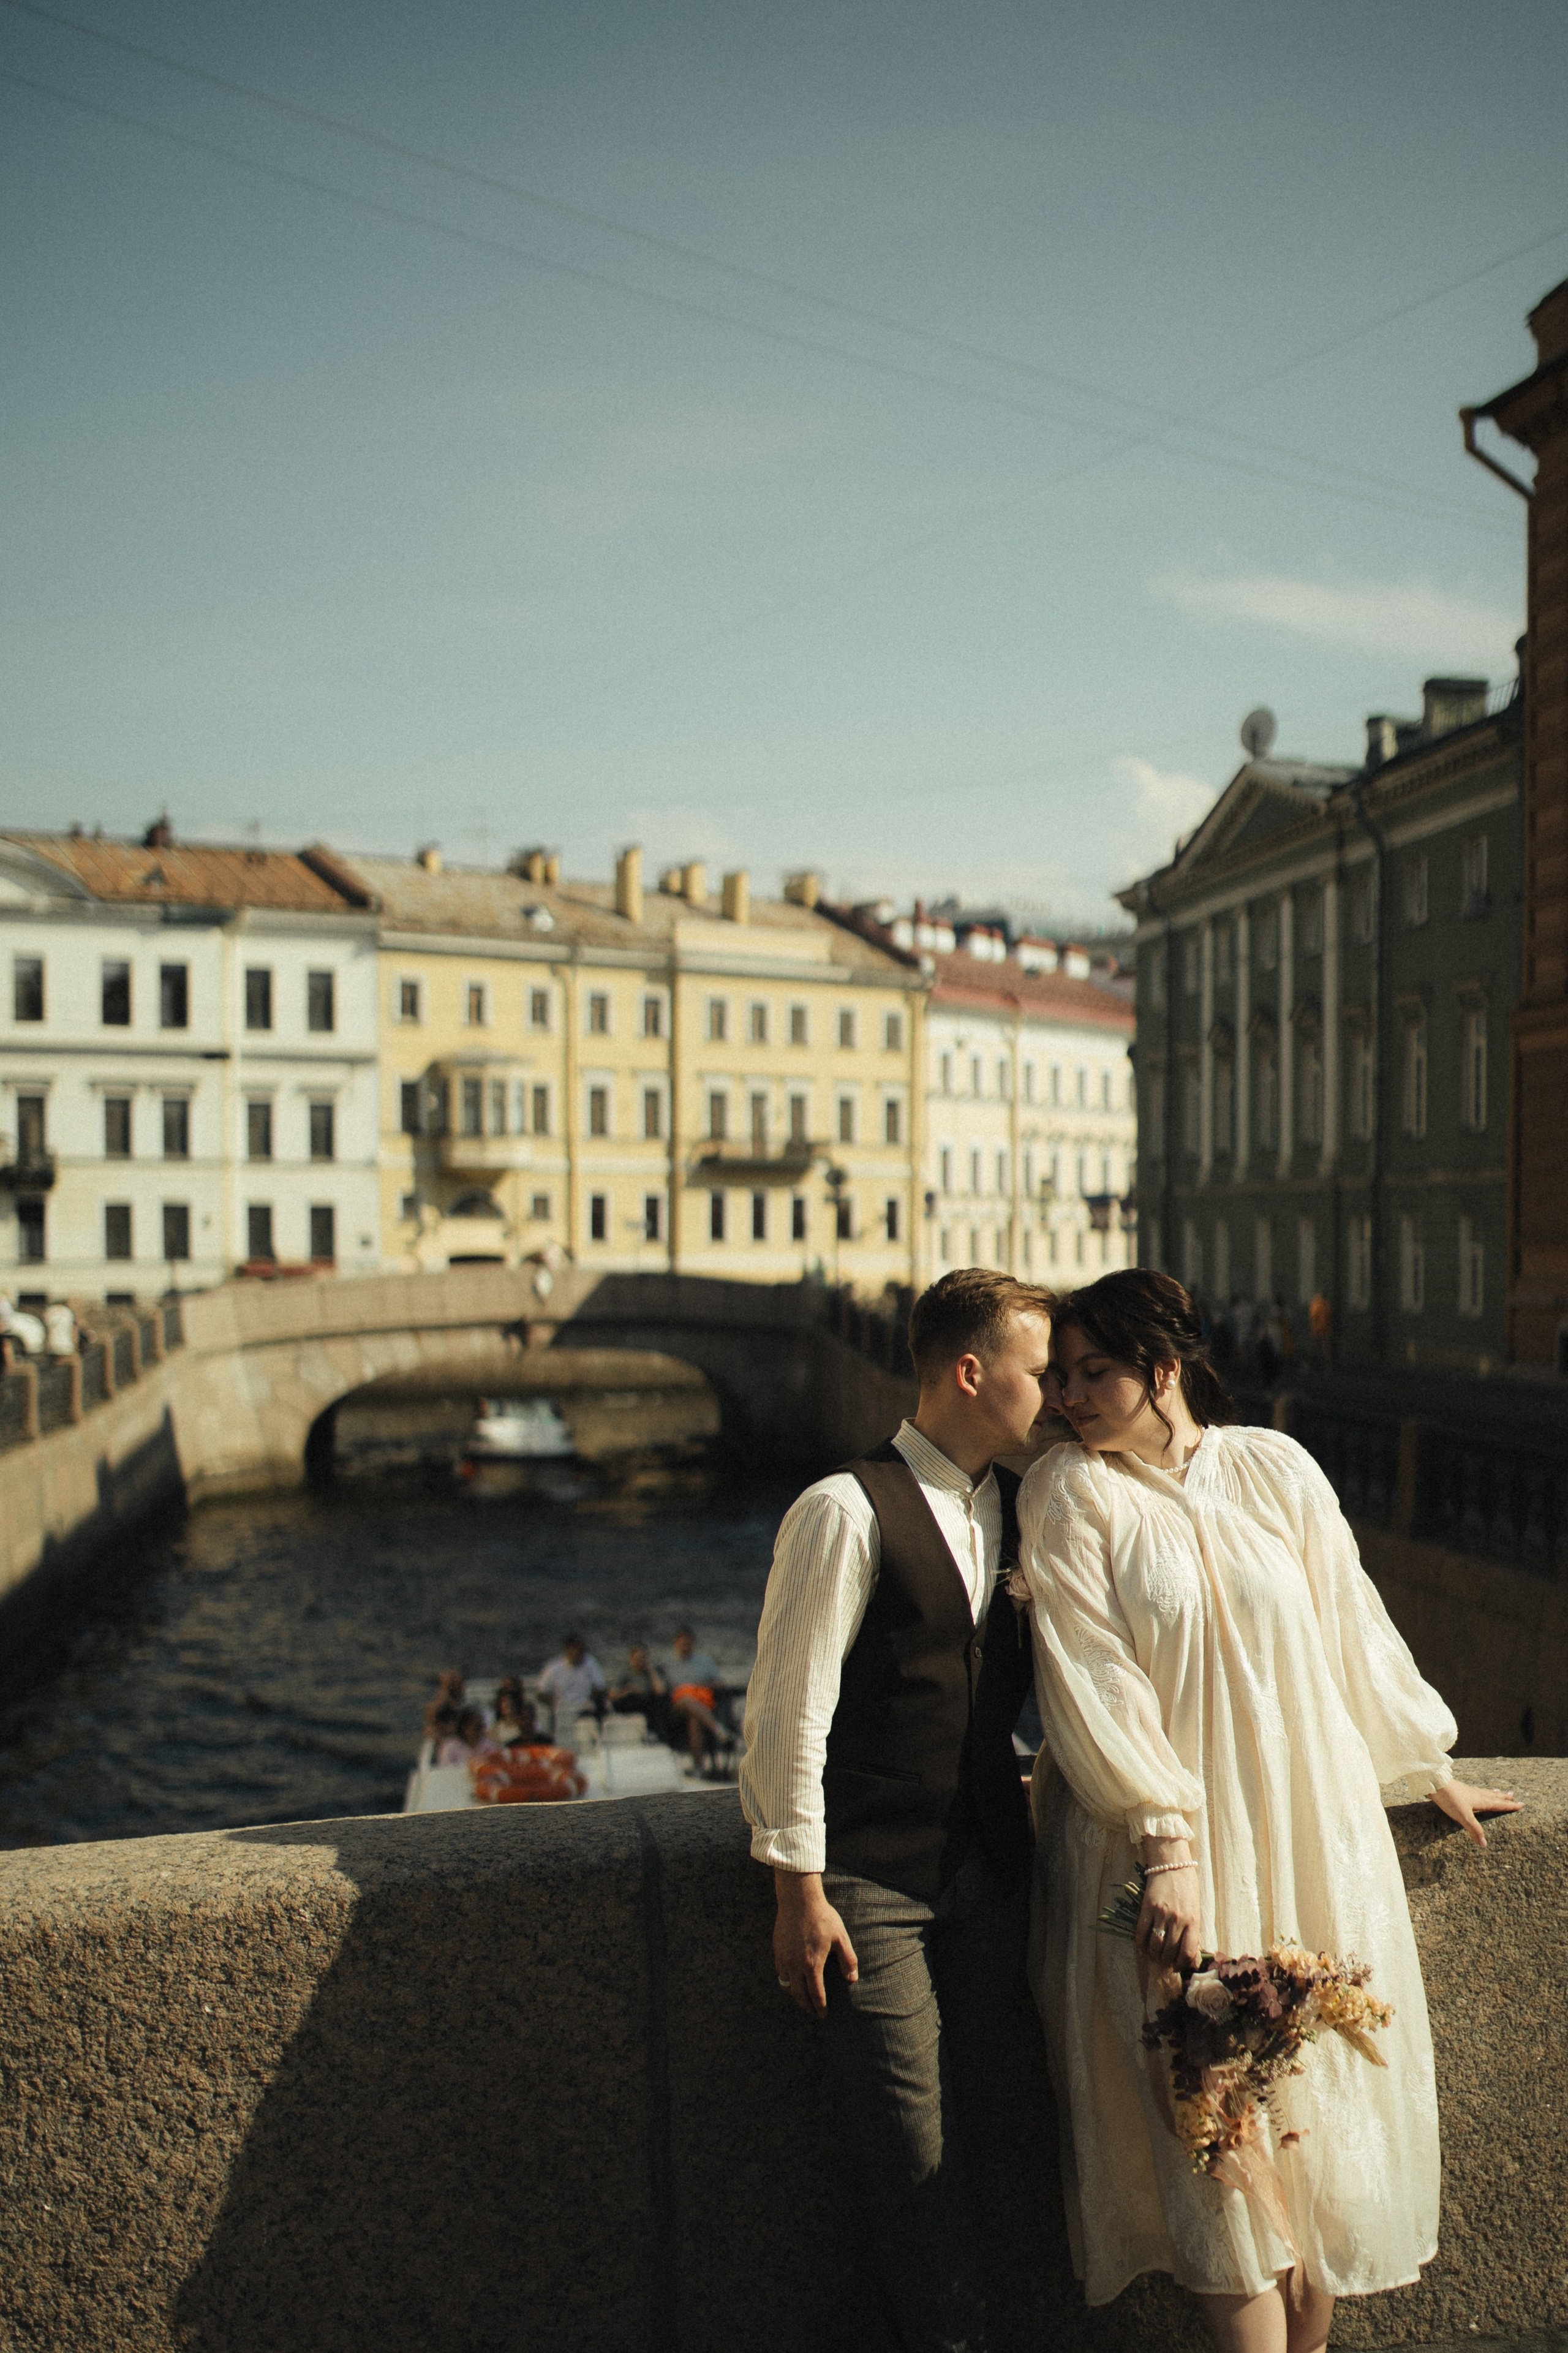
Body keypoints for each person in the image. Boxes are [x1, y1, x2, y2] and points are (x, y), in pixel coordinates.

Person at [1020, 1267, 1520, 2353]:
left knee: (1311, 2128)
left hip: (1305, 1826)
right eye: (1055, 1375)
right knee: (1211, 2142)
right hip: (1174, 1855)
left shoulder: (1274, 1467)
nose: (1064, 1395)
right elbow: (1091, 1679)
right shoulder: (1067, 1494)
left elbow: (1350, 1622)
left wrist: (1423, 1759)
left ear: (1164, 1370)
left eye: (1090, 1371)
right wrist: (1166, 1843)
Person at [742, 1266, 1054, 2353]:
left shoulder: (1017, 1506)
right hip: (873, 1886)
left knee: (997, 2136)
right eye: (1039, 1371)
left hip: (991, 1876)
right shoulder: (841, 1510)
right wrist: (798, 1888)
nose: (1053, 1393)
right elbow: (789, 1712)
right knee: (914, 2157)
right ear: (973, 1373)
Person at [666, 1627, 733, 1771]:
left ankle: (699, 1767)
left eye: (688, 1644)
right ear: (676, 1644)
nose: (685, 1647)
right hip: (676, 1708)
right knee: (685, 1699)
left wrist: (699, 1687)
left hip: (701, 1706)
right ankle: (718, 1729)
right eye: (682, 1644)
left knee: (694, 1720)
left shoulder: (704, 1662)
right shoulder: (667, 1663)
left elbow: (720, 1683)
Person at [537, 1633, 606, 1735]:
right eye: (579, 1650)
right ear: (568, 1650)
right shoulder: (554, 1668)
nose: (582, 1654)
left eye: (583, 1651)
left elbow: (600, 1687)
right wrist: (555, 1703)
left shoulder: (590, 1663)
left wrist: (592, 1699)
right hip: (562, 1708)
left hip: (584, 1707)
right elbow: (541, 1693)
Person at [607, 1644, 670, 1740]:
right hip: (631, 1702)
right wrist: (629, 1690)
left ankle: (657, 1734)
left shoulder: (653, 1671)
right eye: (637, 1658)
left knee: (659, 1702)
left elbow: (661, 1691)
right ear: (631, 1658)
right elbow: (612, 1695)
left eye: (643, 1658)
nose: (639, 1661)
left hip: (649, 1702)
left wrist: (651, 1671)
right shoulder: (626, 1674)